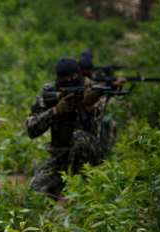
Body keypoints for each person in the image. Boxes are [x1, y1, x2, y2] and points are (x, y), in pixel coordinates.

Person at [26, 57, 105, 198]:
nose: (69, 81)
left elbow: (95, 130)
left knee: (80, 138)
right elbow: (31, 130)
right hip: (60, 157)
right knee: (35, 193)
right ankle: (62, 187)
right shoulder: (50, 91)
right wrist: (55, 111)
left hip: (88, 160)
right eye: (64, 78)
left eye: (73, 77)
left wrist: (87, 107)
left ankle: (78, 187)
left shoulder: (92, 90)